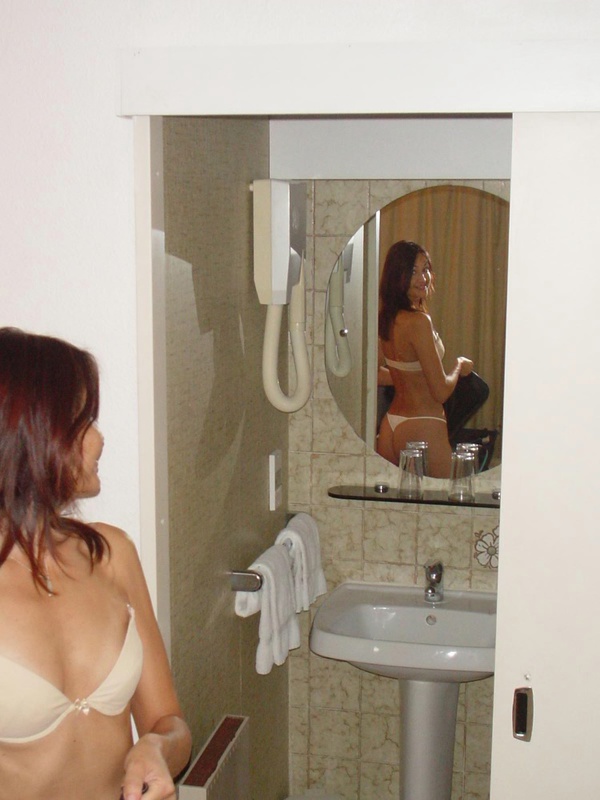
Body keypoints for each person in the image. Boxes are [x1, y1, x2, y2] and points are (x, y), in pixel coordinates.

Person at [0, 327, 192, 800]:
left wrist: (156, 747)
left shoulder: (111, 555)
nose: (99, 439)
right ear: (34, 434)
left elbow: (170, 723)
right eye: (83, 423)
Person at [376, 241, 473, 477]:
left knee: (396, 500)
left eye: (425, 269)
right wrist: (458, 366)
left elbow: (377, 375)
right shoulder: (419, 322)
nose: (424, 278)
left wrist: (409, 378)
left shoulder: (386, 318)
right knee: (444, 499)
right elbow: (441, 392)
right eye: (413, 271)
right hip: (423, 424)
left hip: (390, 426)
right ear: (397, 275)